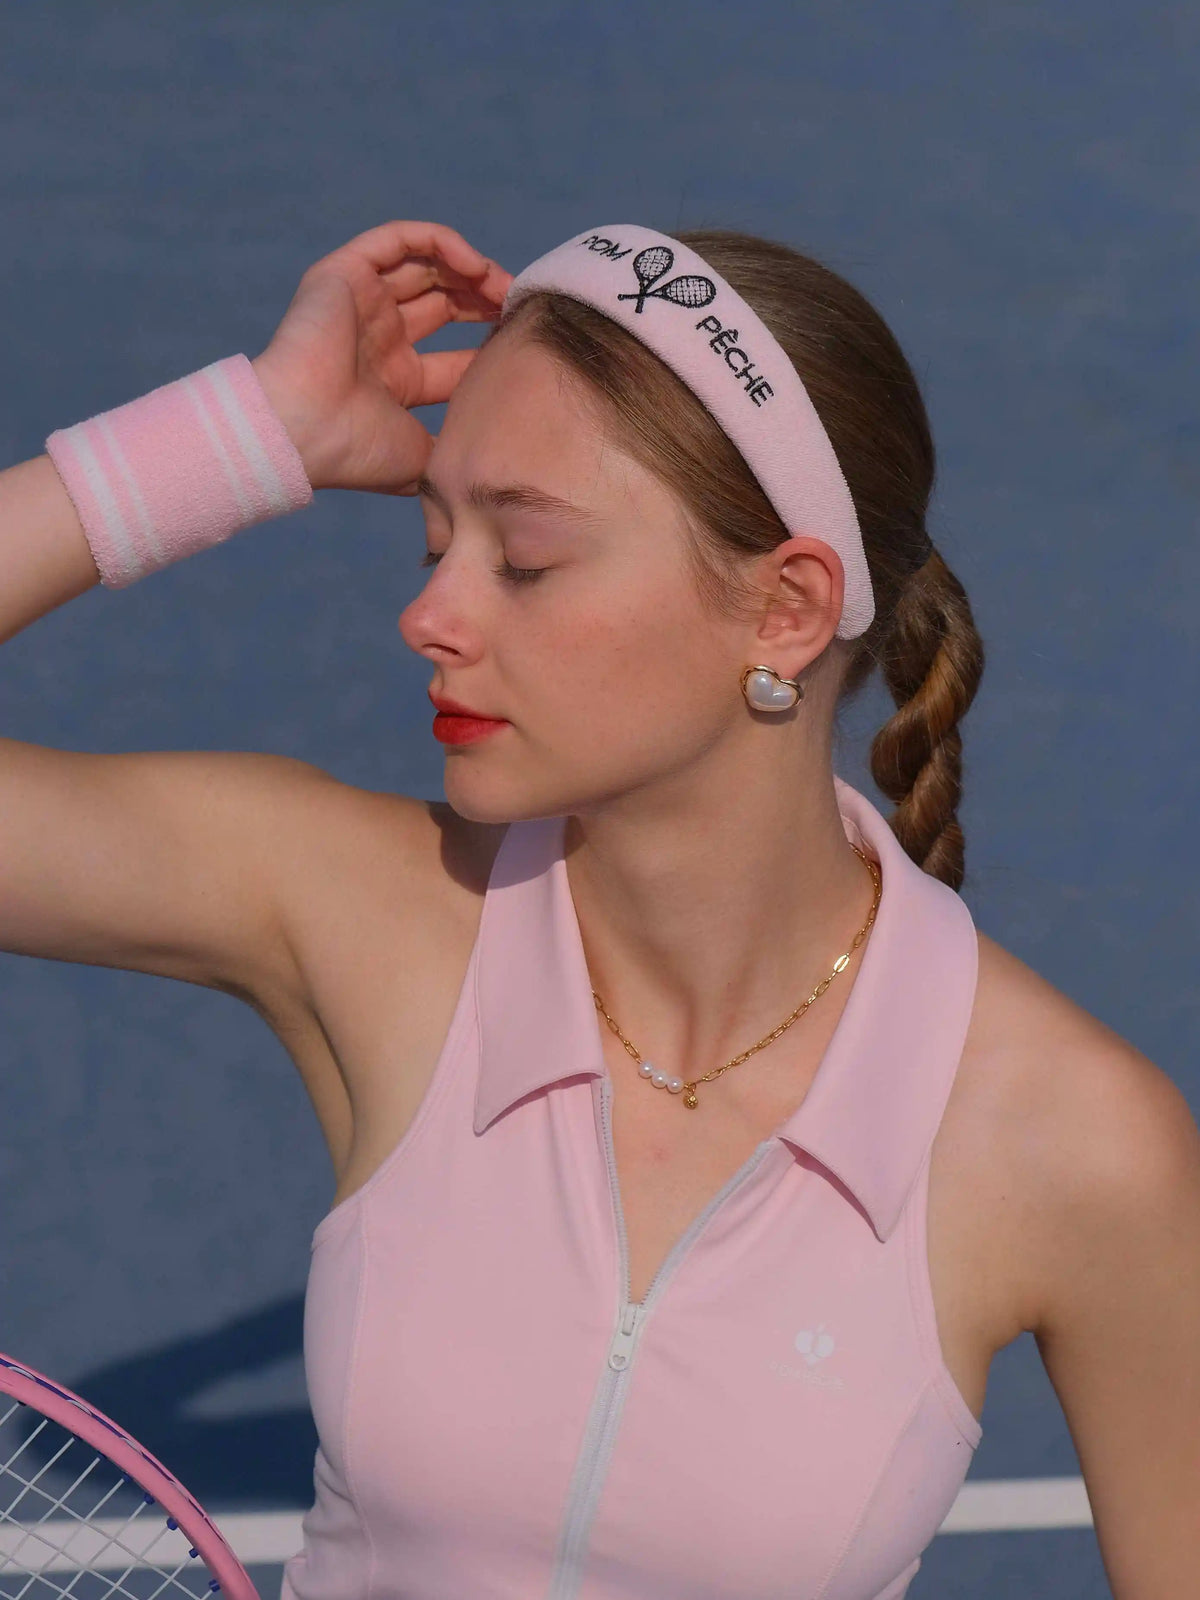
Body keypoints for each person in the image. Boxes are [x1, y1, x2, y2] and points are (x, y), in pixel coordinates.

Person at [2, 217, 1197, 1599]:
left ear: (787, 611)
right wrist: (248, 433)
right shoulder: (355, 912)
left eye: (525, 560)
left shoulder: (1076, 1144)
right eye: (433, 542)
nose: (431, 616)